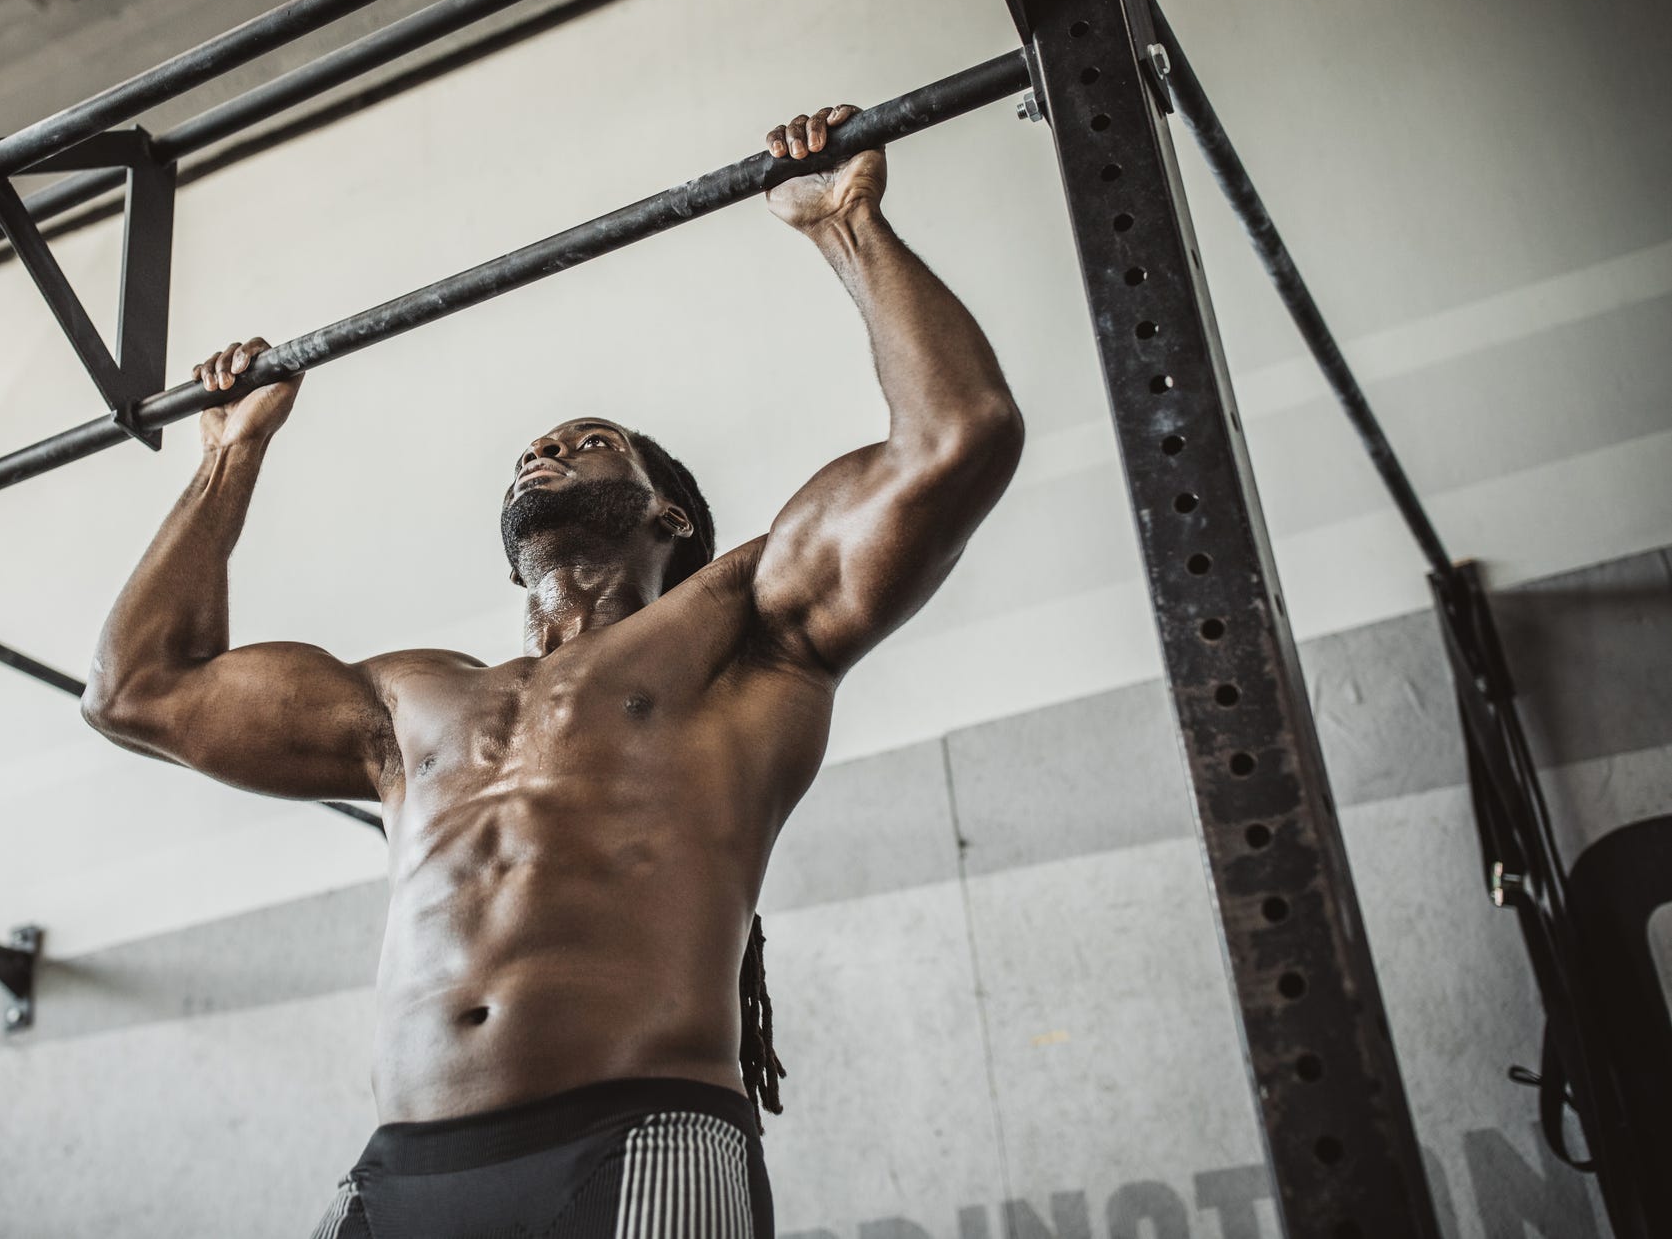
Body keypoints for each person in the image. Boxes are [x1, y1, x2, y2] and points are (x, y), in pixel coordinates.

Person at [81, 104, 1024, 1237]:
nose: (545, 451)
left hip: (636, 1139)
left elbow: (957, 435)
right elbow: (137, 686)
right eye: (536, 448)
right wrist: (232, 451)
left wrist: (844, 222)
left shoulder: (742, 622)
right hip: (401, 1169)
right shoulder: (405, 698)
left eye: (588, 441)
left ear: (665, 509)